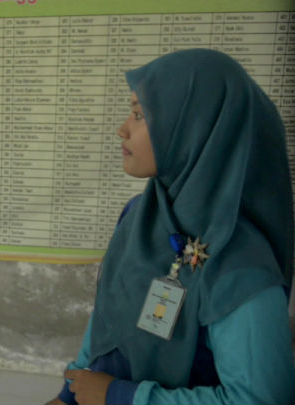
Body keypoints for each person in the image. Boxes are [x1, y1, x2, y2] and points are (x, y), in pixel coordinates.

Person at [47, 48, 295, 405]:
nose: (122, 129)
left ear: (194, 128)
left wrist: (122, 397)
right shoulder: (138, 215)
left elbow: (259, 398)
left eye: (138, 115)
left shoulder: (242, 264)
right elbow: (106, 321)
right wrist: (71, 391)